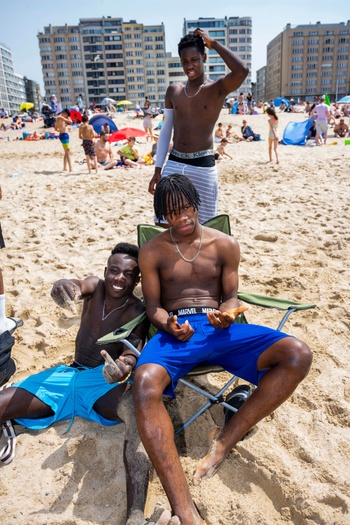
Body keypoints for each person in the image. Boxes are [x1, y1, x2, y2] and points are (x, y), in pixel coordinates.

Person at [132, 174, 312, 525]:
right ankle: (185, 512)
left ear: (196, 204)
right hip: (177, 331)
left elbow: (230, 296)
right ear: (161, 217)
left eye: (186, 208)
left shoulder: (225, 244)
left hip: (219, 327)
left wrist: (227, 315)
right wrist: (167, 323)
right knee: (143, 383)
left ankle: (225, 440)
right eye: (171, 213)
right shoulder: (152, 251)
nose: (181, 218)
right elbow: (151, 305)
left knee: (298, 354)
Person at [0, 243, 157, 524]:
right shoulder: (95, 288)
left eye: (128, 274)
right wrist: (63, 287)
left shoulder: (137, 310)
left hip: (102, 384)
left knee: (136, 416)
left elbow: (133, 348)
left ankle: (135, 514)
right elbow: (73, 285)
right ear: (105, 271)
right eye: (113, 271)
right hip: (67, 377)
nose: (119, 278)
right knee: (4, 403)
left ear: (137, 280)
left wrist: (124, 367)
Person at [148, 28, 248, 225]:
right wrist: (158, 169)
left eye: (194, 59)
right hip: (175, 162)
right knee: (163, 221)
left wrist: (214, 44)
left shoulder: (217, 88)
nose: (189, 65)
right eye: (185, 61)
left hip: (203, 165)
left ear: (204, 57)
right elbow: (166, 130)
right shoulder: (174, 90)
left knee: (206, 224)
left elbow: (242, 71)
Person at [54, 108, 73, 172]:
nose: (67, 117)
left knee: (66, 151)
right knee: (67, 152)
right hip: (63, 135)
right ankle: (70, 168)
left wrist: (62, 127)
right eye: (67, 115)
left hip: (64, 134)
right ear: (65, 113)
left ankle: (65, 167)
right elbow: (70, 121)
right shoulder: (60, 117)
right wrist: (62, 129)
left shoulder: (60, 118)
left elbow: (56, 128)